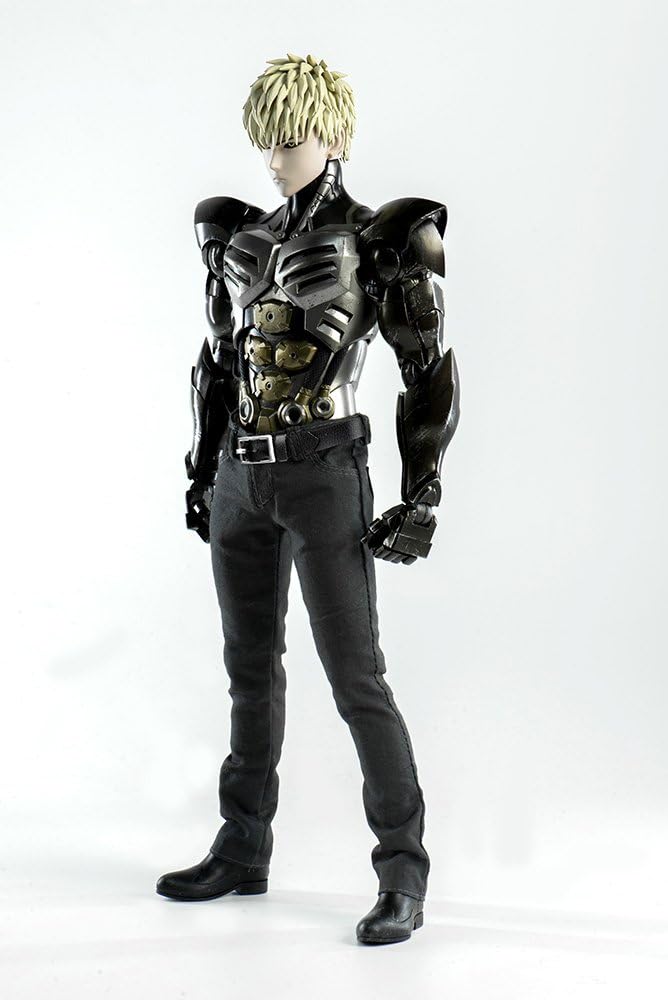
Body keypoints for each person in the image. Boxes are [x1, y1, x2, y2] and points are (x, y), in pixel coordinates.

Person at [156, 52, 460, 946]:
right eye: (269, 140)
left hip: (326, 468)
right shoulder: (239, 238)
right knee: (249, 669)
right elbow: (220, 363)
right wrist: (201, 467)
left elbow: (427, 369)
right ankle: (242, 847)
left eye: (291, 139)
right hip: (241, 473)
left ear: (332, 136)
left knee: (356, 676)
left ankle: (402, 873)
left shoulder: (381, 237)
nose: (276, 157)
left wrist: (423, 492)